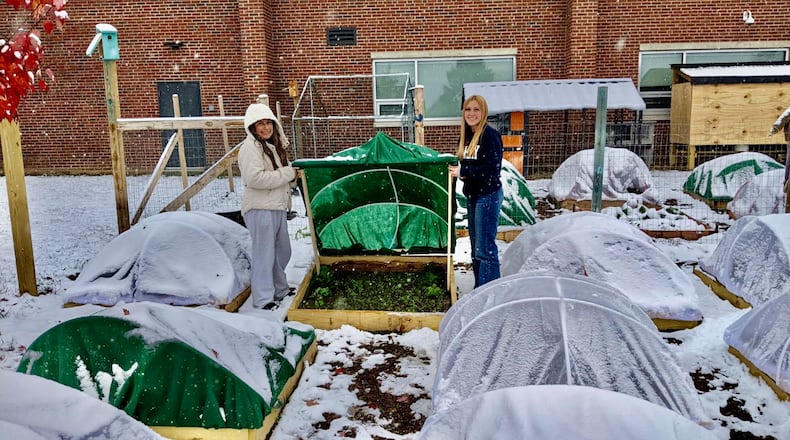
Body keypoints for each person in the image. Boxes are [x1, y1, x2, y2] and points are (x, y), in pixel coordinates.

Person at [238, 102, 300, 310]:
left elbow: (282, 175)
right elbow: (255, 179)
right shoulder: (250, 149)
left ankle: (280, 288)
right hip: (260, 207)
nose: (265, 128)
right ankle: (263, 298)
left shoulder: (272, 147)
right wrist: (288, 174)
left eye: (268, 123)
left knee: (282, 251)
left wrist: (293, 176)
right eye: (260, 124)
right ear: (252, 128)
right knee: (264, 254)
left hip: (276, 206)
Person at [448, 95, 503, 288]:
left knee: (485, 250)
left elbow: (492, 168)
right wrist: (462, 173)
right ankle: (480, 290)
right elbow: (470, 165)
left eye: (476, 109)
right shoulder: (467, 136)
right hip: (473, 196)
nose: (471, 113)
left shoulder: (490, 135)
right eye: (468, 109)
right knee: (475, 249)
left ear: (484, 112)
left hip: (487, 196)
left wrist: (465, 171)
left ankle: (490, 295)